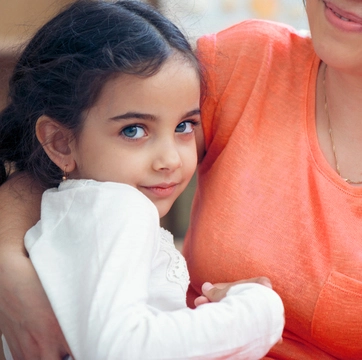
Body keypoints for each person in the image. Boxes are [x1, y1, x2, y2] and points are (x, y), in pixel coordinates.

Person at [1, 0, 361, 358]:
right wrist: (259, 312)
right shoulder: (119, 209)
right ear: (59, 142)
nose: (170, 159)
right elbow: (125, 348)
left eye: (185, 127)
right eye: (133, 131)